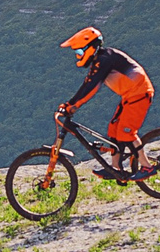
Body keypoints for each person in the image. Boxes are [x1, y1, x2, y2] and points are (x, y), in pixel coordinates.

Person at [59, 27, 153, 176]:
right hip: (130, 96)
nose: (78, 56)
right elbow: (87, 84)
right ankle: (115, 169)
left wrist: (74, 106)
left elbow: (92, 87)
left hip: (139, 94)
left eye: (79, 52)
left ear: (90, 47)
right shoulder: (99, 61)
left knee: (126, 132)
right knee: (114, 129)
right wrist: (70, 103)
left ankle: (147, 167)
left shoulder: (105, 59)